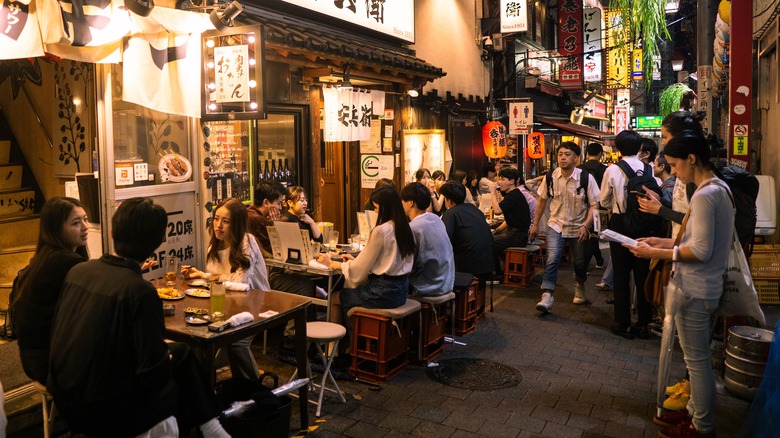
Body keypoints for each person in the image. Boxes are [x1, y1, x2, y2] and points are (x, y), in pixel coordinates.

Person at [48, 197, 229, 438]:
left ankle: (211, 426)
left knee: (181, 353)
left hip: (66, 403)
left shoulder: (79, 271)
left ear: (112, 232)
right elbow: (153, 376)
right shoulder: (139, 291)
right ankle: (211, 427)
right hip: (109, 411)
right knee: (179, 374)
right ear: (159, 242)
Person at [626, 131, 734, 438]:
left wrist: (655, 252)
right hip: (702, 286)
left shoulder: (705, 194)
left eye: (674, 164)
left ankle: (702, 426)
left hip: (697, 288)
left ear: (691, 159)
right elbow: (695, 240)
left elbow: (699, 251)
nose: (673, 171)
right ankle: (693, 416)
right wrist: (661, 241)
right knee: (695, 360)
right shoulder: (715, 189)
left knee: (697, 362)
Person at [186, 198, 271, 381]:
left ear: (237, 223)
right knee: (196, 336)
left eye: (225, 221)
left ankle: (255, 391)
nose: (218, 225)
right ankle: (206, 387)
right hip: (227, 304)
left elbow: (242, 283)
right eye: (216, 219)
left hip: (256, 304)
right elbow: (221, 280)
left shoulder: (247, 241)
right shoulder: (214, 244)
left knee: (236, 343)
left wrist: (209, 278)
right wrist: (202, 275)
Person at [317, 187, 415, 334]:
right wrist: (354, 260)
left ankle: (333, 350)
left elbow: (356, 271)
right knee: (347, 293)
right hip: (401, 290)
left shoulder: (381, 230)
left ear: (385, 208)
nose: (375, 212)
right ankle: (348, 344)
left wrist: (332, 263)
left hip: (381, 292)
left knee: (335, 298)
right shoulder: (405, 227)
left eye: (376, 208)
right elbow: (387, 260)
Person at [13, 197, 88, 384]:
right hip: (49, 362)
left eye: (85, 219)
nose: (85, 227)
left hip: (34, 358)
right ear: (56, 228)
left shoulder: (47, 255)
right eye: (76, 223)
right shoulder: (64, 261)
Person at [600, 130, 657, 339]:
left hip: (620, 224)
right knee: (643, 274)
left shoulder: (613, 170)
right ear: (640, 147)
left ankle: (622, 323)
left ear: (618, 147)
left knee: (621, 274)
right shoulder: (648, 168)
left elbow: (604, 201)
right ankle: (644, 323)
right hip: (643, 224)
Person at [531, 142, 599, 312]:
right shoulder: (550, 177)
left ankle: (579, 286)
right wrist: (534, 224)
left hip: (579, 226)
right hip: (556, 225)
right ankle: (547, 294)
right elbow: (541, 201)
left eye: (567, 154)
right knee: (552, 259)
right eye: (560, 154)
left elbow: (594, 205)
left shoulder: (585, 178)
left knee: (580, 262)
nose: (563, 157)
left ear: (576, 158)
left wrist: (586, 225)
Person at [247, 181, 315, 297]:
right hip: (261, 275)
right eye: (278, 203)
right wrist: (274, 226)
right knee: (306, 286)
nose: (279, 208)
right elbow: (277, 252)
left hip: (259, 272)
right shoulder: (257, 220)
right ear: (266, 202)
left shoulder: (249, 213)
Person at [400, 182, 455, 296]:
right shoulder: (435, 218)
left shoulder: (414, 228)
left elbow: (408, 264)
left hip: (429, 286)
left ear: (411, 203)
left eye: (403, 201)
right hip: (447, 280)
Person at [439, 181, 495, 279]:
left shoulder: (451, 213)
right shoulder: (475, 209)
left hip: (468, 267)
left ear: (449, 200)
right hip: (488, 264)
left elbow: (444, 241)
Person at [489, 167, 531, 277]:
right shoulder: (513, 195)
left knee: (488, 242)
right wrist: (497, 230)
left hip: (517, 236)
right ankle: (502, 270)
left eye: (502, 179)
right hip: (516, 234)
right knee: (491, 237)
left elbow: (497, 211)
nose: (499, 182)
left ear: (512, 181)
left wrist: (493, 193)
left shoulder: (513, 195)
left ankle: (496, 275)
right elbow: (510, 220)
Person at [578, 142, 607, 270]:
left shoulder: (579, 169)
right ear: (600, 154)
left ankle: (599, 260)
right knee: (594, 235)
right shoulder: (605, 170)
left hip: (581, 207)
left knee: (590, 236)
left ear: (587, 153)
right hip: (600, 207)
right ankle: (583, 266)